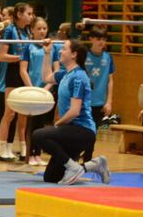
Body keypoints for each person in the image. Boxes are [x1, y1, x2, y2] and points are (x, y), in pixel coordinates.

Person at [34, 39, 110, 184]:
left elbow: (74, 112)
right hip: (70, 131)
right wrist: (47, 53)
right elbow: (45, 77)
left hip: (82, 131)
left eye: (64, 49)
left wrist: (58, 124)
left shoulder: (78, 77)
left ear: (74, 54)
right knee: (51, 177)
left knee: (38, 135)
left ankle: (72, 167)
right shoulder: (64, 74)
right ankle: (94, 165)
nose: (61, 51)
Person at [0, 3, 33, 162]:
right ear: (19, 14)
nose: (31, 16)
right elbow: (2, 56)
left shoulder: (28, 31)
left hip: (24, 72)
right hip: (12, 73)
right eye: (28, 13)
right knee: (9, 113)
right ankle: (2, 148)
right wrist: (20, 58)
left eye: (32, 14)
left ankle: (16, 148)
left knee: (22, 114)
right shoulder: (10, 30)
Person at [21, 18, 53, 167]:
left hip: (45, 91)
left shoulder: (52, 48)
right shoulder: (28, 47)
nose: (42, 31)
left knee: (41, 125)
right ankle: (30, 153)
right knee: (31, 124)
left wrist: (46, 89)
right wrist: (32, 88)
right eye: (39, 29)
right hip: (32, 89)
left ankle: (38, 154)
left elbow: (56, 70)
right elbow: (23, 70)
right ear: (32, 30)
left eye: (44, 29)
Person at [85, 28, 115, 129]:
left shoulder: (108, 57)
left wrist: (109, 102)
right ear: (91, 39)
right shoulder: (84, 55)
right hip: (84, 101)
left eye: (103, 39)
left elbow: (110, 80)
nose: (101, 42)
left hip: (100, 103)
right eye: (98, 39)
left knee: (94, 132)